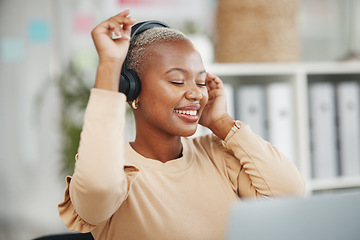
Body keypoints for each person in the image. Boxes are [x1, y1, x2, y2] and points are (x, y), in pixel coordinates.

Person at [58, 9, 305, 240]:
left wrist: (222, 123)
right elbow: (99, 187)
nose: (196, 94)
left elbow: (290, 193)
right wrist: (110, 66)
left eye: (200, 82)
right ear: (134, 89)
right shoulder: (113, 169)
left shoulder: (216, 153)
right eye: (177, 81)